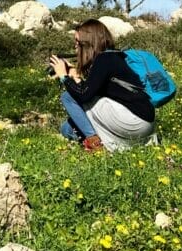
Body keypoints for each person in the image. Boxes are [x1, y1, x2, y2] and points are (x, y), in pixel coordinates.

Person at [49, 19, 156, 152]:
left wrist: (63, 77)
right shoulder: (113, 57)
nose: (75, 46)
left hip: (133, 121)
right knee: (67, 128)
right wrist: (74, 76)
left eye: (78, 42)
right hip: (144, 124)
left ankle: (95, 145)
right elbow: (90, 91)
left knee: (67, 96)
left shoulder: (104, 59)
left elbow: (83, 95)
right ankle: (114, 143)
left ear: (89, 42)